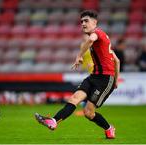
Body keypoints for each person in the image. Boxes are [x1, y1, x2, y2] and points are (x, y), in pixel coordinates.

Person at [35, 10, 120, 139]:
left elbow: (91, 40)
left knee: (88, 113)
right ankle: (53, 120)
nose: (83, 24)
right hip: (94, 76)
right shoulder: (103, 39)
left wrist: (79, 56)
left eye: (86, 21)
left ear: (95, 22)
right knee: (74, 99)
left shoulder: (97, 34)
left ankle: (109, 128)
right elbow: (117, 60)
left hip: (105, 79)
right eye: (81, 22)